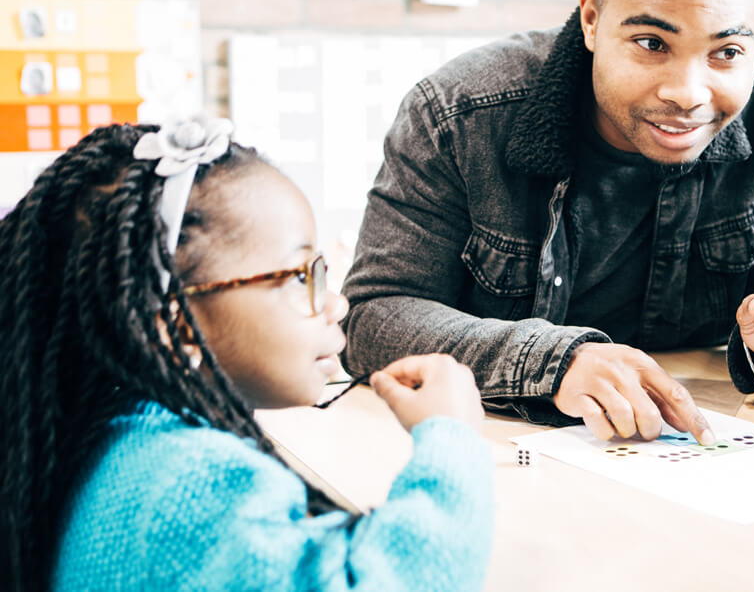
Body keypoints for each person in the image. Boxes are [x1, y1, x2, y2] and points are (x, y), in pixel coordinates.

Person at [342, 0, 754, 443]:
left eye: (726, 52)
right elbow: (373, 316)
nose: (688, 93)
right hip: (496, 447)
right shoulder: (457, 115)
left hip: (697, 442)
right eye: (652, 42)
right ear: (591, 18)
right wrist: (556, 362)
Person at [0, 119, 493, 591]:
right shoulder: (188, 483)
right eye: (302, 276)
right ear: (177, 324)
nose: (336, 303)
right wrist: (453, 442)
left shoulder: (117, 436)